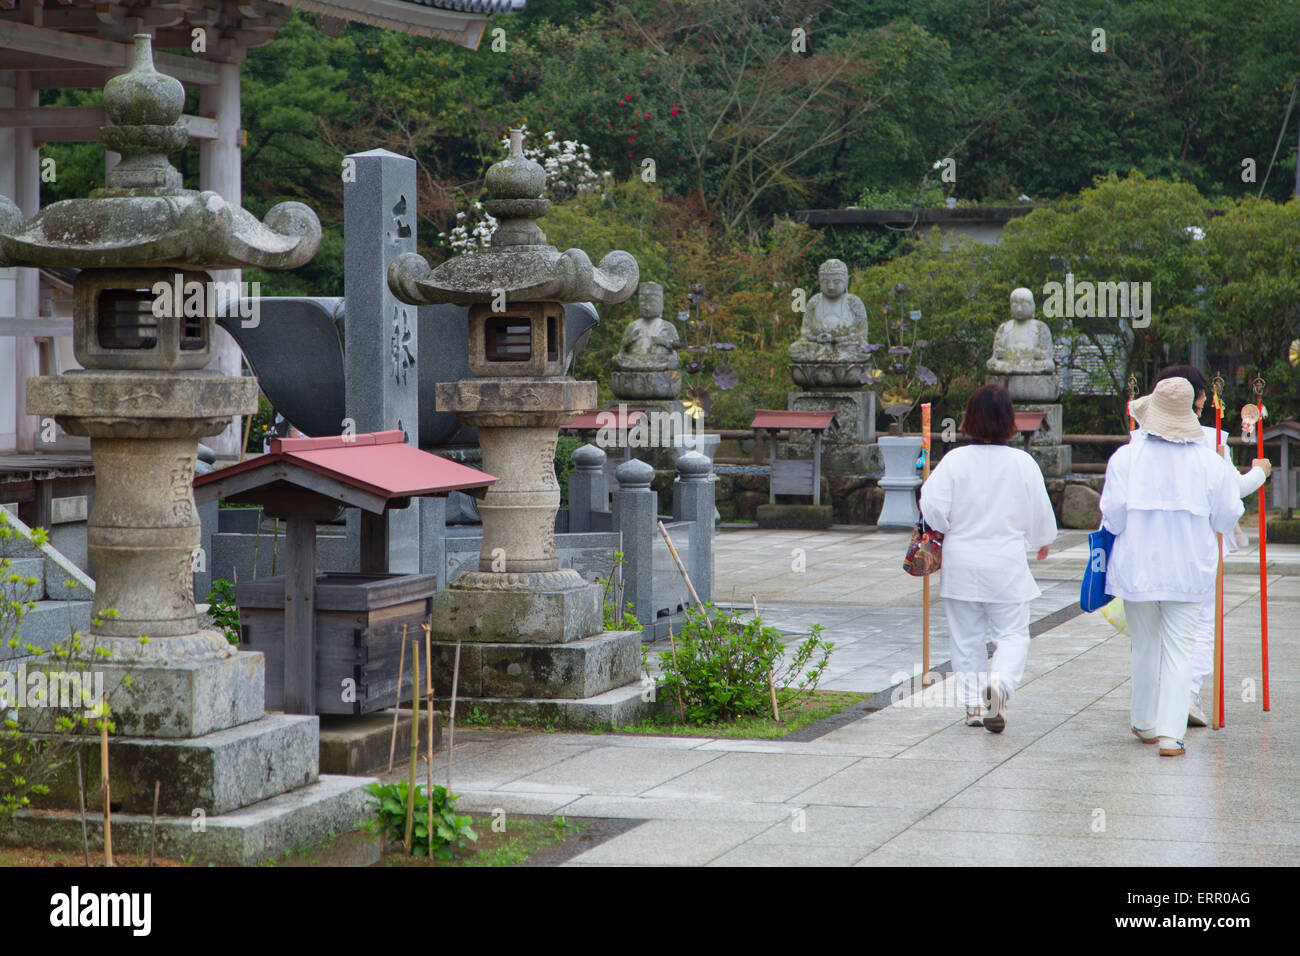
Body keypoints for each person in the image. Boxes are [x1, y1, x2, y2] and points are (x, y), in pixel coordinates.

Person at [1102, 378, 1244, 756]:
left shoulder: (1125, 458)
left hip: (1137, 567)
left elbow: (1111, 516)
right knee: (1181, 648)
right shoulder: (1209, 463)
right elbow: (1228, 516)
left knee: (1145, 645)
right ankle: (1170, 734)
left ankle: (1144, 721)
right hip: (1188, 568)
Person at [920, 384, 1057, 733]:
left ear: (969, 418)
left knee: (966, 638)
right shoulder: (1022, 463)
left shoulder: (954, 461)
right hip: (1006, 562)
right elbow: (1040, 511)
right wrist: (1042, 540)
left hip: (962, 560)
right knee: (1012, 634)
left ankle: (972, 706)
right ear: (1010, 420)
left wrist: (947, 526)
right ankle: (1000, 684)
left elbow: (931, 506)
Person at [1139, 366, 1271, 727]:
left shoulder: (1136, 442)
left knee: (1151, 631)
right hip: (1194, 550)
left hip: (1145, 549)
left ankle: (1150, 706)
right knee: (1196, 626)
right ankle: (1186, 696)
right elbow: (1229, 499)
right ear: (1198, 398)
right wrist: (1259, 473)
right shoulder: (1209, 442)